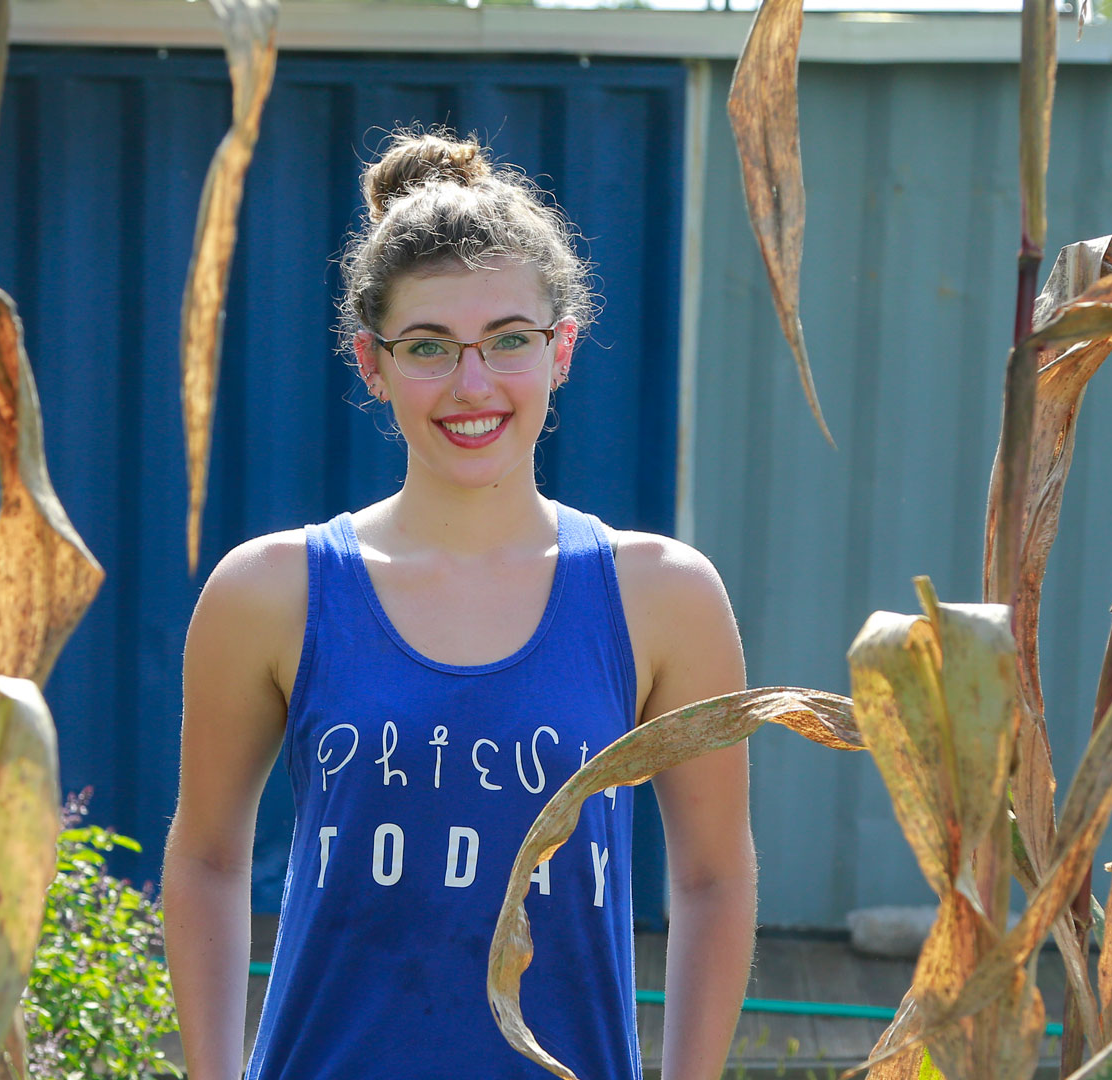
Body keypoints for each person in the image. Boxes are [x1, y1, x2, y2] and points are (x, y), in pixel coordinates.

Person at [162, 130, 755, 1080]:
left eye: (508, 341)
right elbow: (205, 859)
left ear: (560, 349)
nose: (471, 386)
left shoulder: (664, 597)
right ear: (371, 362)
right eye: (429, 347)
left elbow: (713, 879)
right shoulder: (270, 592)